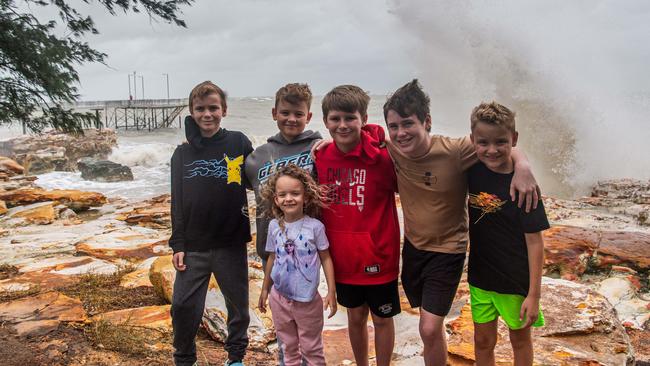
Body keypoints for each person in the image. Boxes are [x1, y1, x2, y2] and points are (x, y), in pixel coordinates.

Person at [383, 80, 539, 366]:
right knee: (431, 329)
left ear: (426, 121)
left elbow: (496, 141)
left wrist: (524, 165)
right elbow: (353, 134)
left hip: (449, 251)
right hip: (415, 250)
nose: (400, 133)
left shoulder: (455, 150)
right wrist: (321, 144)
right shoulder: (392, 149)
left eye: (408, 124)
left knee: (428, 328)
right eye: (393, 127)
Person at [315, 85, 401, 366]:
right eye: (335, 118)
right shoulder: (322, 156)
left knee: (382, 318)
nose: (342, 125)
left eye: (350, 118)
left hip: (379, 255)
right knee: (354, 317)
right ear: (325, 121)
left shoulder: (384, 157)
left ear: (363, 118)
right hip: (343, 258)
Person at [169, 81, 252, 366]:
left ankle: (236, 358)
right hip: (194, 246)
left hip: (231, 242)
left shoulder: (239, 142)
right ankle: (184, 358)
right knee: (182, 305)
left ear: (224, 110)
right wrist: (177, 243)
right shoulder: (182, 154)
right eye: (200, 109)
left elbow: (259, 177)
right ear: (191, 112)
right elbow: (176, 202)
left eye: (213, 108)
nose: (207, 114)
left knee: (238, 306)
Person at [244, 82, 322, 366]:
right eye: (285, 112)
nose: (292, 119)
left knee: (307, 320)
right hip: (272, 251)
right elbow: (227, 184)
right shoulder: (257, 157)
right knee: (283, 324)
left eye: (298, 114)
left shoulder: (319, 148)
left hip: (308, 253)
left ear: (309, 117)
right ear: (274, 112)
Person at [467, 102, 548, 365]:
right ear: (472, 141)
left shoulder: (524, 187)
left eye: (501, 142)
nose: (492, 150)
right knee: (482, 342)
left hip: (515, 282)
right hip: (480, 279)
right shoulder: (471, 171)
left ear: (513, 139)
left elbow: (536, 243)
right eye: (483, 142)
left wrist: (534, 294)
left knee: (520, 341)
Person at [257, 164, 337, 366]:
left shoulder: (315, 227)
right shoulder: (274, 226)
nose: (288, 198)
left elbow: (326, 258)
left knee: (312, 349)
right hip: (279, 298)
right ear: (276, 199)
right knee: (288, 348)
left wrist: (331, 292)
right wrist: (265, 289)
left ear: (306, 197)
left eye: (295, 193)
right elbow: (272, 258)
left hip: (307, 301)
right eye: (282, 194)